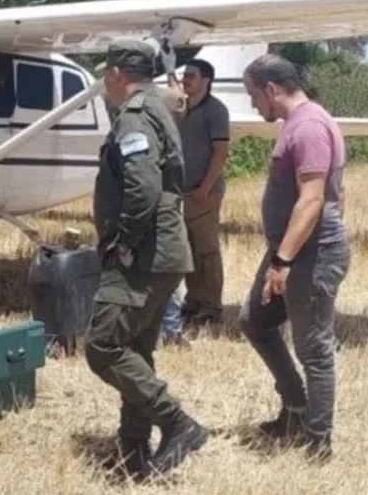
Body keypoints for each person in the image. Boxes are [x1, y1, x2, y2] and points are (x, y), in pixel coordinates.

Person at [86, 41, 206, 480]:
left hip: (146, 254)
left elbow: (142, 187)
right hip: (163, 251)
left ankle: (177, 423)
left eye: (106, 73)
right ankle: (133, 453)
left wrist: (125, 241)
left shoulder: (135, 115)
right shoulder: (155, 107)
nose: (104, 81)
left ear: (116, 73)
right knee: (135, 349)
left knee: (102, 346)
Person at [237, 53, 349, 463]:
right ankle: (296, 407)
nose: (254, 105)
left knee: (314, 350)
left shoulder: (309, 126)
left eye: (254, 95)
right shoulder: (296, 124)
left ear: (271, 89)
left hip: (308, 255)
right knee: (255, 320)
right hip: (291, 249)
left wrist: (283, 261)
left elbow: (313, 198)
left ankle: (318, 441)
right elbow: (338, 193)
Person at [176, 58, 230, 327]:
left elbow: (221, 152)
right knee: (188, 249)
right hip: (183, 192)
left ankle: (211, 307)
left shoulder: (216, 110)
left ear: (206, 81)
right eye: (184, 75)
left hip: (204, 193)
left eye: (191, 76)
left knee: (207, 251)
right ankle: (193, 301)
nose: (185, 80)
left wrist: (205, 189)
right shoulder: (181, 109)